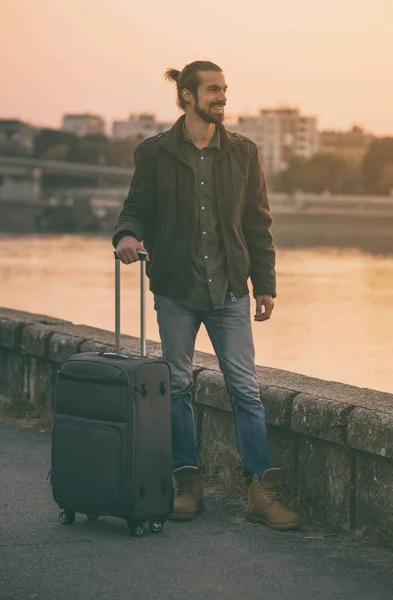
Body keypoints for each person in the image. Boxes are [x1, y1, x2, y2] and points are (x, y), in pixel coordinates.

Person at [113, 60, 300, 530]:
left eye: (224, 89)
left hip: (231, 291)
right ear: (187, 97)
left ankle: (261, 490)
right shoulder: (154, 152)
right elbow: (136, 207)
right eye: (213, 90)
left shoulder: (243, 152)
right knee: (176, 385)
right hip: (176, 288)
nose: (222, 97)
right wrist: (127, 236)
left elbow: (258, 221)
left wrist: (266, 285)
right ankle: (186, 482)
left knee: (245, 390)